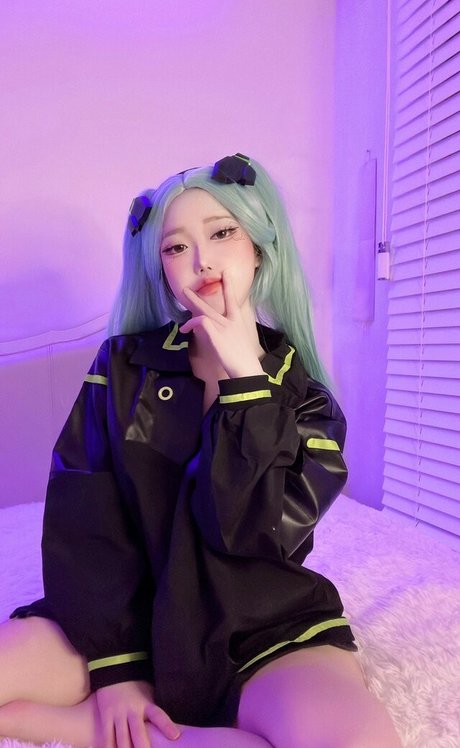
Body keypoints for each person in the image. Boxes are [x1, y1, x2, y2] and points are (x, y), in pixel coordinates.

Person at [0, 154, 402, 748]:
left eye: (221, 233)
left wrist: (248, 385)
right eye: (175, 246)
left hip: (263, 629)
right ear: (159, 267)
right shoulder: (122, 367)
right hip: (125, 612)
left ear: (259, 248)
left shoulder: (309, 403)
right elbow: (84, 518)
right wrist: (117, 668)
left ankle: (72, 728)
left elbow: (246, 533)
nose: (200, 261)